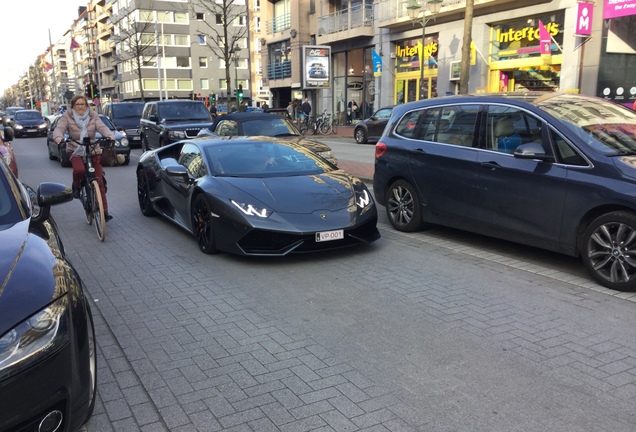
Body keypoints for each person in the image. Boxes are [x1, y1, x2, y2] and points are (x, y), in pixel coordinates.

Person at [54, 95, 116, 221]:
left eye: (83, 104)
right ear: (73, 106)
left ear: (87, 106)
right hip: (75, 148)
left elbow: (102, 127)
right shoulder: (67, 116)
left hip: (92, 148)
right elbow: (59, 129)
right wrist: (59, 138)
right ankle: (76, 186)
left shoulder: (93, 115)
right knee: (79, 170)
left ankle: (104, 211)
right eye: (77, 104)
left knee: (99, 181)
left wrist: (110, 135)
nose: (80, 107)